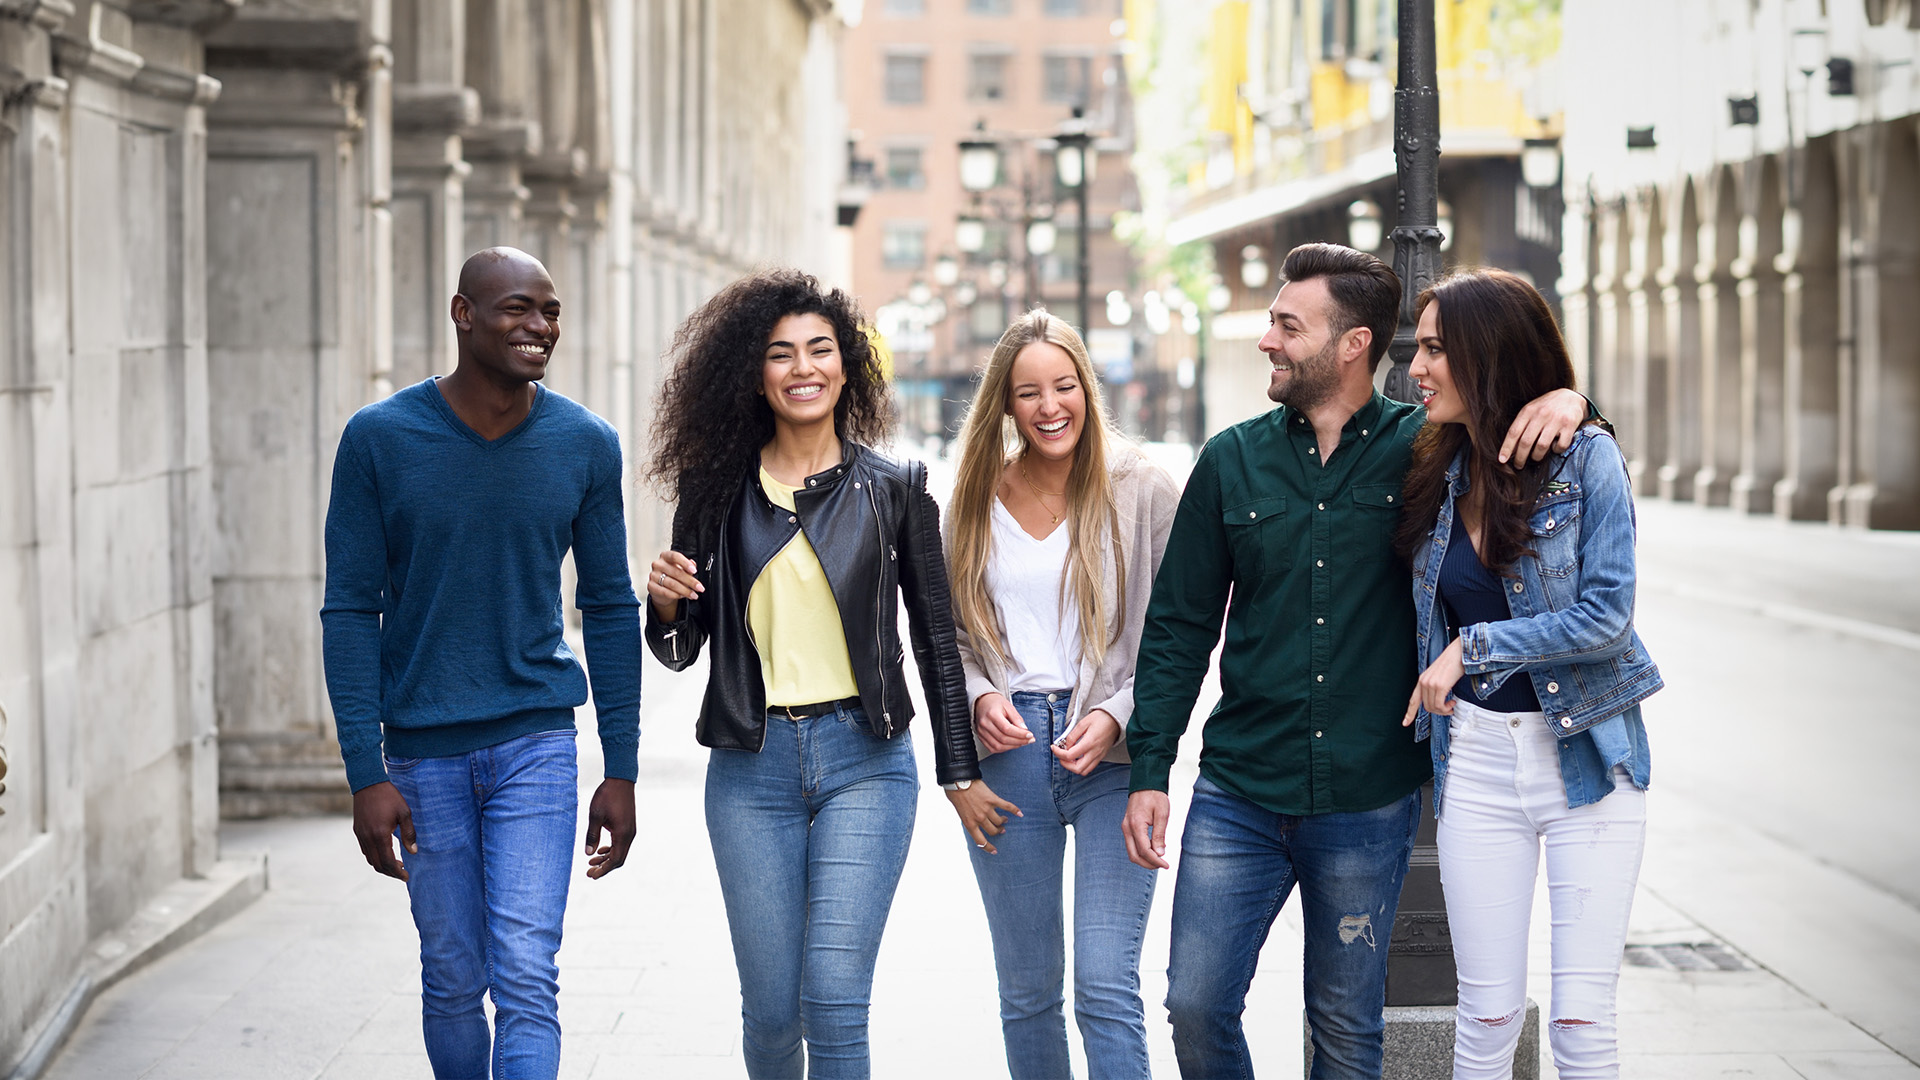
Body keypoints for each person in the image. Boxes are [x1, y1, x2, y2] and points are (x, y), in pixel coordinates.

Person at [1122, 242, 1593, 1079]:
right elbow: (1178, 626)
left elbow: (1541, 437)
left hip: (1369, 796)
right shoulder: (1231, 460)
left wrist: (1573, 397)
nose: (1267, 339)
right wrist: (1151, 767)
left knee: (1346, 1030)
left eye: (1286, 325)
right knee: (1194, 1006)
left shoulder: (1433, 450)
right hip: (1239, 789)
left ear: (1352, 344)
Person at [642, 268, 984, 1079]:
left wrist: (960, 771)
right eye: (781, 354)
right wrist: (660, 606)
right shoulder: (715, 488)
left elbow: (936, 638)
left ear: (848, 365)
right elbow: (681, 649)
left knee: (833, 998)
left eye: (821, 350)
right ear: (752, 374)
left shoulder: (895, 489)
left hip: (866, 764)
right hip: (749, 769)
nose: (804, 368)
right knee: (771, 1014)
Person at [320, 247, 641, 1080]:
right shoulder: (379, 439)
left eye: (552, 311)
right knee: (454, 978)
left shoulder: (585, 443)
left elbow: (608, 606)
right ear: (464, 314)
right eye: (517, 309)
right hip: (421, 756)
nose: (540, 327)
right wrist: (365, 772)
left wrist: (623, 768)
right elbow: (351, 609)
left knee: (529, 977)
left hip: (537, 745)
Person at [1396, 269, 1662, 1079]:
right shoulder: (1433, 467)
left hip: (1586, 757)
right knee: (1484, 1018)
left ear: (1490, 355)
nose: (1418, 367)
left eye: (1438, 350)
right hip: (1474, 763)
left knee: (1581, 1024)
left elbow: (1605, 618)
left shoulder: (1587, 460)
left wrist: (1472, 649)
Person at [943, 311, 1180, 1079]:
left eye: (1064, 386)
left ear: (1087, 386)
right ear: (1005, 406)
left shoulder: (1143, 489)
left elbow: (1182, 637)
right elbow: (946, 634)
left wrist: (1118, 715)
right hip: (1008, 757)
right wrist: (980, 694)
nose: (1051, 407)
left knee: (1106, 985)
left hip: (1111, 761)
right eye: (1029, 392)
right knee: (1028, 993)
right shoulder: (974, 498)